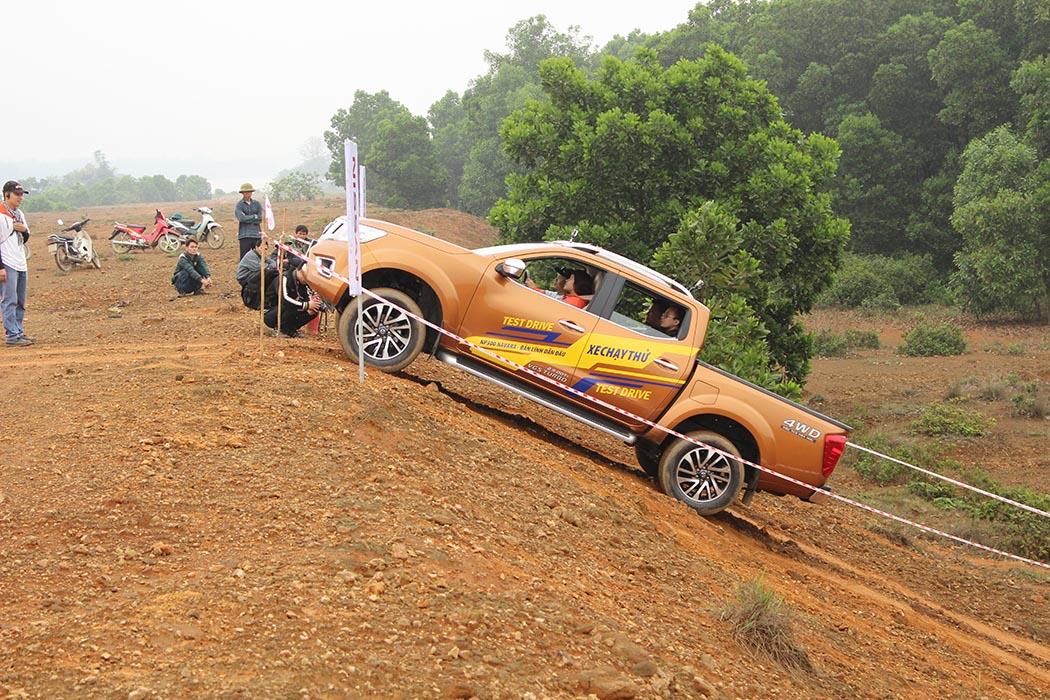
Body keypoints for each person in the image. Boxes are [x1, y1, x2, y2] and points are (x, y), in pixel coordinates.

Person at [1, 181, 34, 346]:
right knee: (9, 299)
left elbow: (26, 237)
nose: (20, 198)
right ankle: (12, 336)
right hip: (7, 262)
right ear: (7, 194)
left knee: (20, 300)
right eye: (17, 194)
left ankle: (18, 332)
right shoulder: (1, 215)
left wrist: (22, 230)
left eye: (21, 194)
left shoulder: (19, 214)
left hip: (20, 260)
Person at [265, 257, 321, 338]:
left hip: (287, 310)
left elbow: (305, 299)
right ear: (299, 271)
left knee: (312, 311)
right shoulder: (284, 278)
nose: (307, 281)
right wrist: (306, 305)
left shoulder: (302, 284)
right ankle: (279, 329)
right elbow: (285, 299)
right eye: (305, 277)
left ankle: (290, 330)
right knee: (290, 305)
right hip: (271, 313)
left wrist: (314, 306)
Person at [236, 239, 278, 310]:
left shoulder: (262, 255)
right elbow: (261, 267)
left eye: (265, 249)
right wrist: (268, 267)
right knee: (266, 273)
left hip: (253, 274)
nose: (263, 251)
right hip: (244, 277)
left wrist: (268, 266)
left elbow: (274, 263)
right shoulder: (251, 255)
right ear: (256, 247)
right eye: (261, 248)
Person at [234, 182, 263, 259]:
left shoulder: (257, 204)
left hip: (256, 234)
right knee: (244, 257)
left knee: (259, 256)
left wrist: (247, 217)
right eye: (246, 192)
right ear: (242, 193)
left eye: (250, 192)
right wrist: (254, 216)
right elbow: (241, 218)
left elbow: (260, 218)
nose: (248, 193)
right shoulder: (239, 205)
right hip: (244, 235)